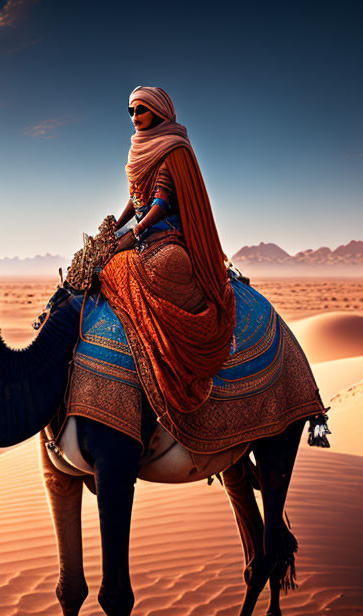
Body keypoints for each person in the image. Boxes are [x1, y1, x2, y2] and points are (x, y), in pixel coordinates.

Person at [99, 86, 236, 417]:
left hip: (168, 235)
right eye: (131, 111)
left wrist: (136, 231)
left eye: (140, 110)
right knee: (103, 264)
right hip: (144, 230)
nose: (134, 117)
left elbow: (160, 202)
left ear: (157, 113)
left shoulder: (174, 148)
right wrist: (114, 227)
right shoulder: (140, 149)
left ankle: (177, 360)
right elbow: (136, 198)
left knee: (160, 269)